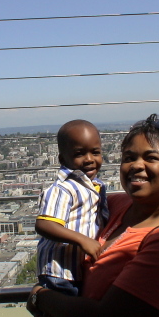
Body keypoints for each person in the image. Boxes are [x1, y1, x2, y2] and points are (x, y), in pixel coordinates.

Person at [28, 114, 159, 317]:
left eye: (151, 158)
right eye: (129, 157)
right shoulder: (115, 204)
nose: (137, 166)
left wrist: (40, 297)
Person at [35, 119, 109, 298]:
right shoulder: (62, 189)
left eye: (95, 152)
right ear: (62, 159)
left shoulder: (94, 185)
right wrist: (83, 240)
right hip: (59, 271)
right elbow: (45, 225)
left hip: (75, 270)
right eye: (79, 154)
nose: (89, 159)